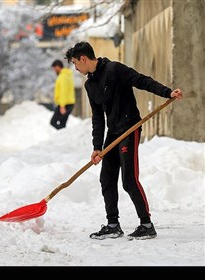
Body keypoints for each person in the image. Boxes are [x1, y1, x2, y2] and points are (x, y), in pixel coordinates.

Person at [65, 42, 183, 240]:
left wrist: (167, 92)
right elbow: (97, 118)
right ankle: (113, 225)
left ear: (83, 59)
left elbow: (142, 80)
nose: (75, 68)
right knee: (106, 178)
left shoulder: (115, 69)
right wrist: (96, 147)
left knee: (129, 180)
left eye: (75, 63)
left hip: (130, 128)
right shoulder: (90, 84)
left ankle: (146, 224)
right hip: (113, 132)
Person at [50, 59, 76, 129]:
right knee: (62, 124)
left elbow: (63, 92)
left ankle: (64, 137)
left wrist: (62, 106)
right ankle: (63, 137)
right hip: (68, 103)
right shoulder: (67, 75)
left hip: (65, 104)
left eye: (54, 69)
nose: (54, 71)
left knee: (53, 122)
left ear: (58, 67)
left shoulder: (63, 77)